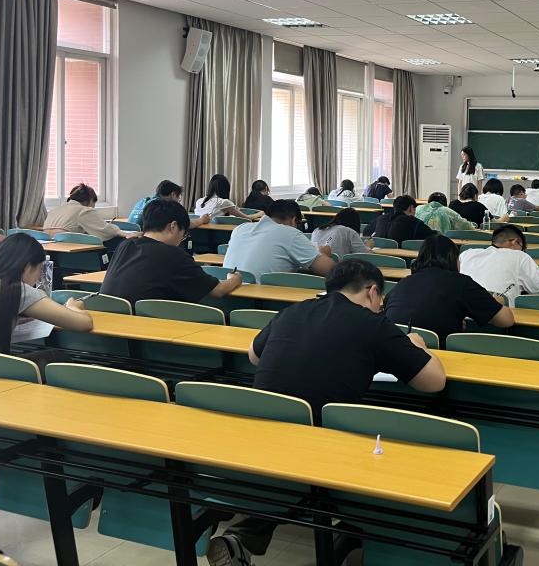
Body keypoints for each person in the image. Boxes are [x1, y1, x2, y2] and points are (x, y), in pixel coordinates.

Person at [208, 259, 446, 566]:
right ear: (373, 291)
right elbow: (434, 382)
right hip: (319, 447)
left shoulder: (294, 310)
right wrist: (418, 346)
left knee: (298, 448)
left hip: (261, 434)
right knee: (381, 443)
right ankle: (353, 531)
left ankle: (243, 537)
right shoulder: (372, 324)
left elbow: (254, 356)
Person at [102, 199, 242, 305]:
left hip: (108, 320)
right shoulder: (173, 255)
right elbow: (218, 291)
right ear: (173, 226)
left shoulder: (125, 245)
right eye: (183, 233)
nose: (182, 239)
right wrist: (235, 279)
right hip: (147, 326)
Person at [385, 234, 513, 346]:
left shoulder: (403, 283)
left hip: (393, 354)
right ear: (453, 259)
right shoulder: (461, 283)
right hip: (439, 356)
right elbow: (506, 320)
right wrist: (495, 302)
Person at [0, 233, 93, 361]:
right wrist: (72, 307)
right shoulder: (18, 290)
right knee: (57, 356)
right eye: (39, 269)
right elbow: (84, 323)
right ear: (28, 267)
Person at [222, 199, 335, 277]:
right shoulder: (290, 233)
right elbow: (330, 270)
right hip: (261, 298)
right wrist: (320, 252)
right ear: (293, 220)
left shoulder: (240, 228)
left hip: (227, 292)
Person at [459, 224, 539, 304]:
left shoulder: (466, 254)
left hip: (460, 316)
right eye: (522, 248)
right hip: (497, 319)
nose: (522, 251)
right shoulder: (520, 257)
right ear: (514, 242)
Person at [44, 184, 137, 242]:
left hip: (53, 254)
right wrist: (121, 232)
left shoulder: (54, 210)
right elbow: (105, 230)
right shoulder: (84, 211)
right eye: (93, 203)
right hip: (74, 253)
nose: (93, 207)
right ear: (89, 200)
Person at [128, 180, 209, 230]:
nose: (178, 201)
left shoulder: (143, 201)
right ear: (173, 194)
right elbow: (185, 224)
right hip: (148, 243)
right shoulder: (163, 206)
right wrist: (202, 220)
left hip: (131, 242)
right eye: (178, 197)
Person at [363, 195, 436, 244]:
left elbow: (365, 232)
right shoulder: (414, 222)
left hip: (379, 257)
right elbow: (433, 236)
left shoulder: (381, 218)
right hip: (404, 258)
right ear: (411, 208)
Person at [194, 175, 260, 220]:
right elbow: (246, 218)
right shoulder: (223, 202)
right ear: (226, 188)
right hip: (218, 234)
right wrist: (260, 214)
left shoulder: (199, 201)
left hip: (199, 234)